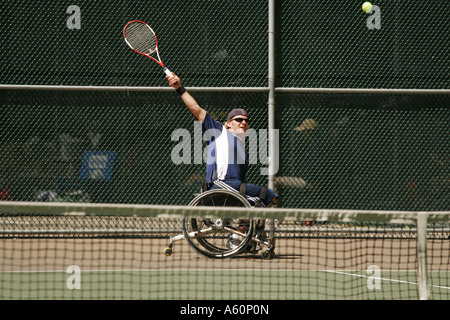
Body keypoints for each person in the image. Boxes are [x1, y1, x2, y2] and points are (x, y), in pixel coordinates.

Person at [167, 72, 277, 207]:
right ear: (229, 123)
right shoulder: (219, 132)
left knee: (258, 204)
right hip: (220, 184)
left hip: (234, 187)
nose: (243, 122)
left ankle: (243, 228)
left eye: (246, 120)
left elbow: (241, 181)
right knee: (269, 194)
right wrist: (179, 88)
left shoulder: (242, 149)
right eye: (239, 120)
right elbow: (196, 109)